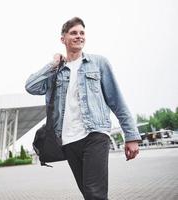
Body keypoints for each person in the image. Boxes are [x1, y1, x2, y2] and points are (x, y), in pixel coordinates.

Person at [25, 17, 141, 200]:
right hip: (69, 140)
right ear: (63, 39)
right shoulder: (56, 71)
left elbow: (116, 100)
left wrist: (131, 135)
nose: (79, 36)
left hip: (95, 134)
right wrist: (52, 64)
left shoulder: (98, 63)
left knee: (95, 193)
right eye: (73, 33)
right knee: (89, 194)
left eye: (82, 33)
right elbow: (31, 86)